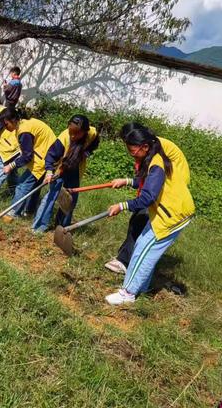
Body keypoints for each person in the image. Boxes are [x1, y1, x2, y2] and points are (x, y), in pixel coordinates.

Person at [105, 125, 195, 305]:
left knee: (143, 253)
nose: (131, 154)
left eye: (132, 150)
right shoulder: (155, 157)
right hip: (167, 211)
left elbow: (147, 197)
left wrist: (122, 206)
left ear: (144, 147)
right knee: (141, 246)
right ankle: (142, 287)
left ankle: (128, 293)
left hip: (172, 215)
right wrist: (127, 181)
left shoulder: (157, 162)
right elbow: (146, 182)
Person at [32, 115, 100, 232]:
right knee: (51, 196)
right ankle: (38, 227)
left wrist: (87, 152)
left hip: (75, 169)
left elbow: (95, 141)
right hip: (59, 168)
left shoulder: (91, 133)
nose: (73, 136)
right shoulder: (63, 139)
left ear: (85, 132)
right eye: (71, 132)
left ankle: (62, 227)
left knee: (70, 198)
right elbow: (51, 156)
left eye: (77, 134)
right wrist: (49, 172)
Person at [104, 122, 149, 274]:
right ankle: (124, 257)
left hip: (152, 201)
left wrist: (122, 205)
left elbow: (150, 190)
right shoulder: (142, 156)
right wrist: (126, 181)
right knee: (135, 223)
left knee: (138, 225)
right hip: (144, 197)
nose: (129, 151)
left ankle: (124, 262)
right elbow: (141, 180)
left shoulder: (152, 160)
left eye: (130, 146)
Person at [0, 107, 56, 218]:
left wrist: (10, 166)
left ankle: (14, 213)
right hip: (48, 156)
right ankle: (29, 211)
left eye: (6, 124)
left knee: (22, 185)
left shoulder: (24, 130)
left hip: (43, 159)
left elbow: (27, 156)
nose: (5, 128)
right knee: (34, 188)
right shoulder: (24, 124)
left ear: (14, 119)